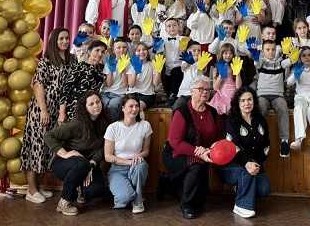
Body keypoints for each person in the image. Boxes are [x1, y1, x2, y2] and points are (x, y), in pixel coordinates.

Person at [21, 28, 76, 203]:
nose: (65, 41)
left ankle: (39, 186)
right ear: (54, 41)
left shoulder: (72, 60)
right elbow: (38, 85)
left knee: (47, 149)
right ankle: (31, 190)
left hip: (59, 111)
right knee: (35, 148)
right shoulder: (46, 61)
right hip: (42, 110)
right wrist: (43, 110)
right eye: (61, 38)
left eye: (67, 38)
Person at [163, 76, 223, 219]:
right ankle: (186, 204)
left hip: (202, 154)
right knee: (196, 164)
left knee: (201, 198)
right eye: (201, 89)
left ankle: (174, 186)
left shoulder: (213, 112)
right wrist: (197, 152)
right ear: (192, 91)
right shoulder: (182, 111)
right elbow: (175, 142)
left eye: (208, 89)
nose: (205, 92)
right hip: (175, 154)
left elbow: (218, 137)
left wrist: (209, 149)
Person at [45, 91, 109, 216]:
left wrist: (92, 164)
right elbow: (49, 135)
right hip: (64, 164)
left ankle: (81, 190)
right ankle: (64, 202)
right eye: (91, 104)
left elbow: (102, 148)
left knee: (96, 190)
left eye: (98, 102)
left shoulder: (104, 124)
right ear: (85, 108)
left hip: (87, 165)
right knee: (82, 164)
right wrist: (64, 153)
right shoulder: (77, 124)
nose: (96, 105)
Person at [221, 87, 271, 218]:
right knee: (246, 171)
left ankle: (240, 187)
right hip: (233, 165)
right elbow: (233, 147)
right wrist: (247, 163)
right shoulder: (231, 121)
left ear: (254, 101)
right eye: (242, 101)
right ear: (237, 103)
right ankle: (241, 206)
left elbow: (266, 145)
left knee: (264, 189)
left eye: (249, 99)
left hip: (255, 163)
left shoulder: (260, 120)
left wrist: (256, 164)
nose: (246, 103)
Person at [104, 94, 153, 213]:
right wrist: (128, 162)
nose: (134, 109)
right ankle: (129, 196)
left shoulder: (145, 125)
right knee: (124, 198)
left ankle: (138, 200)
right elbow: (108, 156)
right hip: (117, 169)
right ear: (123, 108)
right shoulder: (113, 127)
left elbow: (146, 151)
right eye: (131, 106)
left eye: (136, 106)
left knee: (141, 166)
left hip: (137, 165)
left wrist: (139, 156)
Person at [246, 39, 292, 157]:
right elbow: (257, 63)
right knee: (260, 108)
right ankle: (259, 139)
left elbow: (289, 62)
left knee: (283, 107)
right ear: (263, 51)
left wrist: (292, 56)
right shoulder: (261, 61)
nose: (271, 52)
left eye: (273, 50)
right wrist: (255, 57)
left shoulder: (281, 62)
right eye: (267, 50)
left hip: (278, 95)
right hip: (262, 95)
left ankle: (284, 141)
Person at [58, 40, 107, 122]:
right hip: (76, 109)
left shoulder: (102, 69)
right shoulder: (80, 67)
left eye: (102, 52)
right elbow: (65, 89)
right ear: (89, 51)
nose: (100, 54)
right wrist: (62, 113)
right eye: (97, 50)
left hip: (93, 110)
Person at [208, 43, 243, 115]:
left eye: (230, 53)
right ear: (221, 54)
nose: (228, 55)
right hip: (221, 95)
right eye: (226, 53)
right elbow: (215, 88)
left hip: (233, 94)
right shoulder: (216, 68)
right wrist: (221, 75)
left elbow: (238, 87)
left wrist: (238, 73)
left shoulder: (235, 65)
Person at [127, 42, 161, 113]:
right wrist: (136, 71)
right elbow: (131, 85)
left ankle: (140, 120)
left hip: (147, 95)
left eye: (144, 49)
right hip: (132, 94)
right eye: (138, 50)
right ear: (135, 53)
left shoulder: (152, 64)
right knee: (131, 107)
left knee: (138, 107)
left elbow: (155, 83)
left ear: (148, 52)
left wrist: (158, 71)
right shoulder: (131, 65)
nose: (141, 52)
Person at [101, 37, 130, 121]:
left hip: (120, 93)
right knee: (103, 104)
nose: (122, 50)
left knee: (112, 105)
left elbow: (125, 85)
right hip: (106, 92)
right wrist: (111, 70)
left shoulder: (130, 63)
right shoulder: (109, 62)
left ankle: (112, 125)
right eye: (118, 48)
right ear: (114, 50)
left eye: (124, 47)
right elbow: (109, 84)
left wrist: (123, 70)